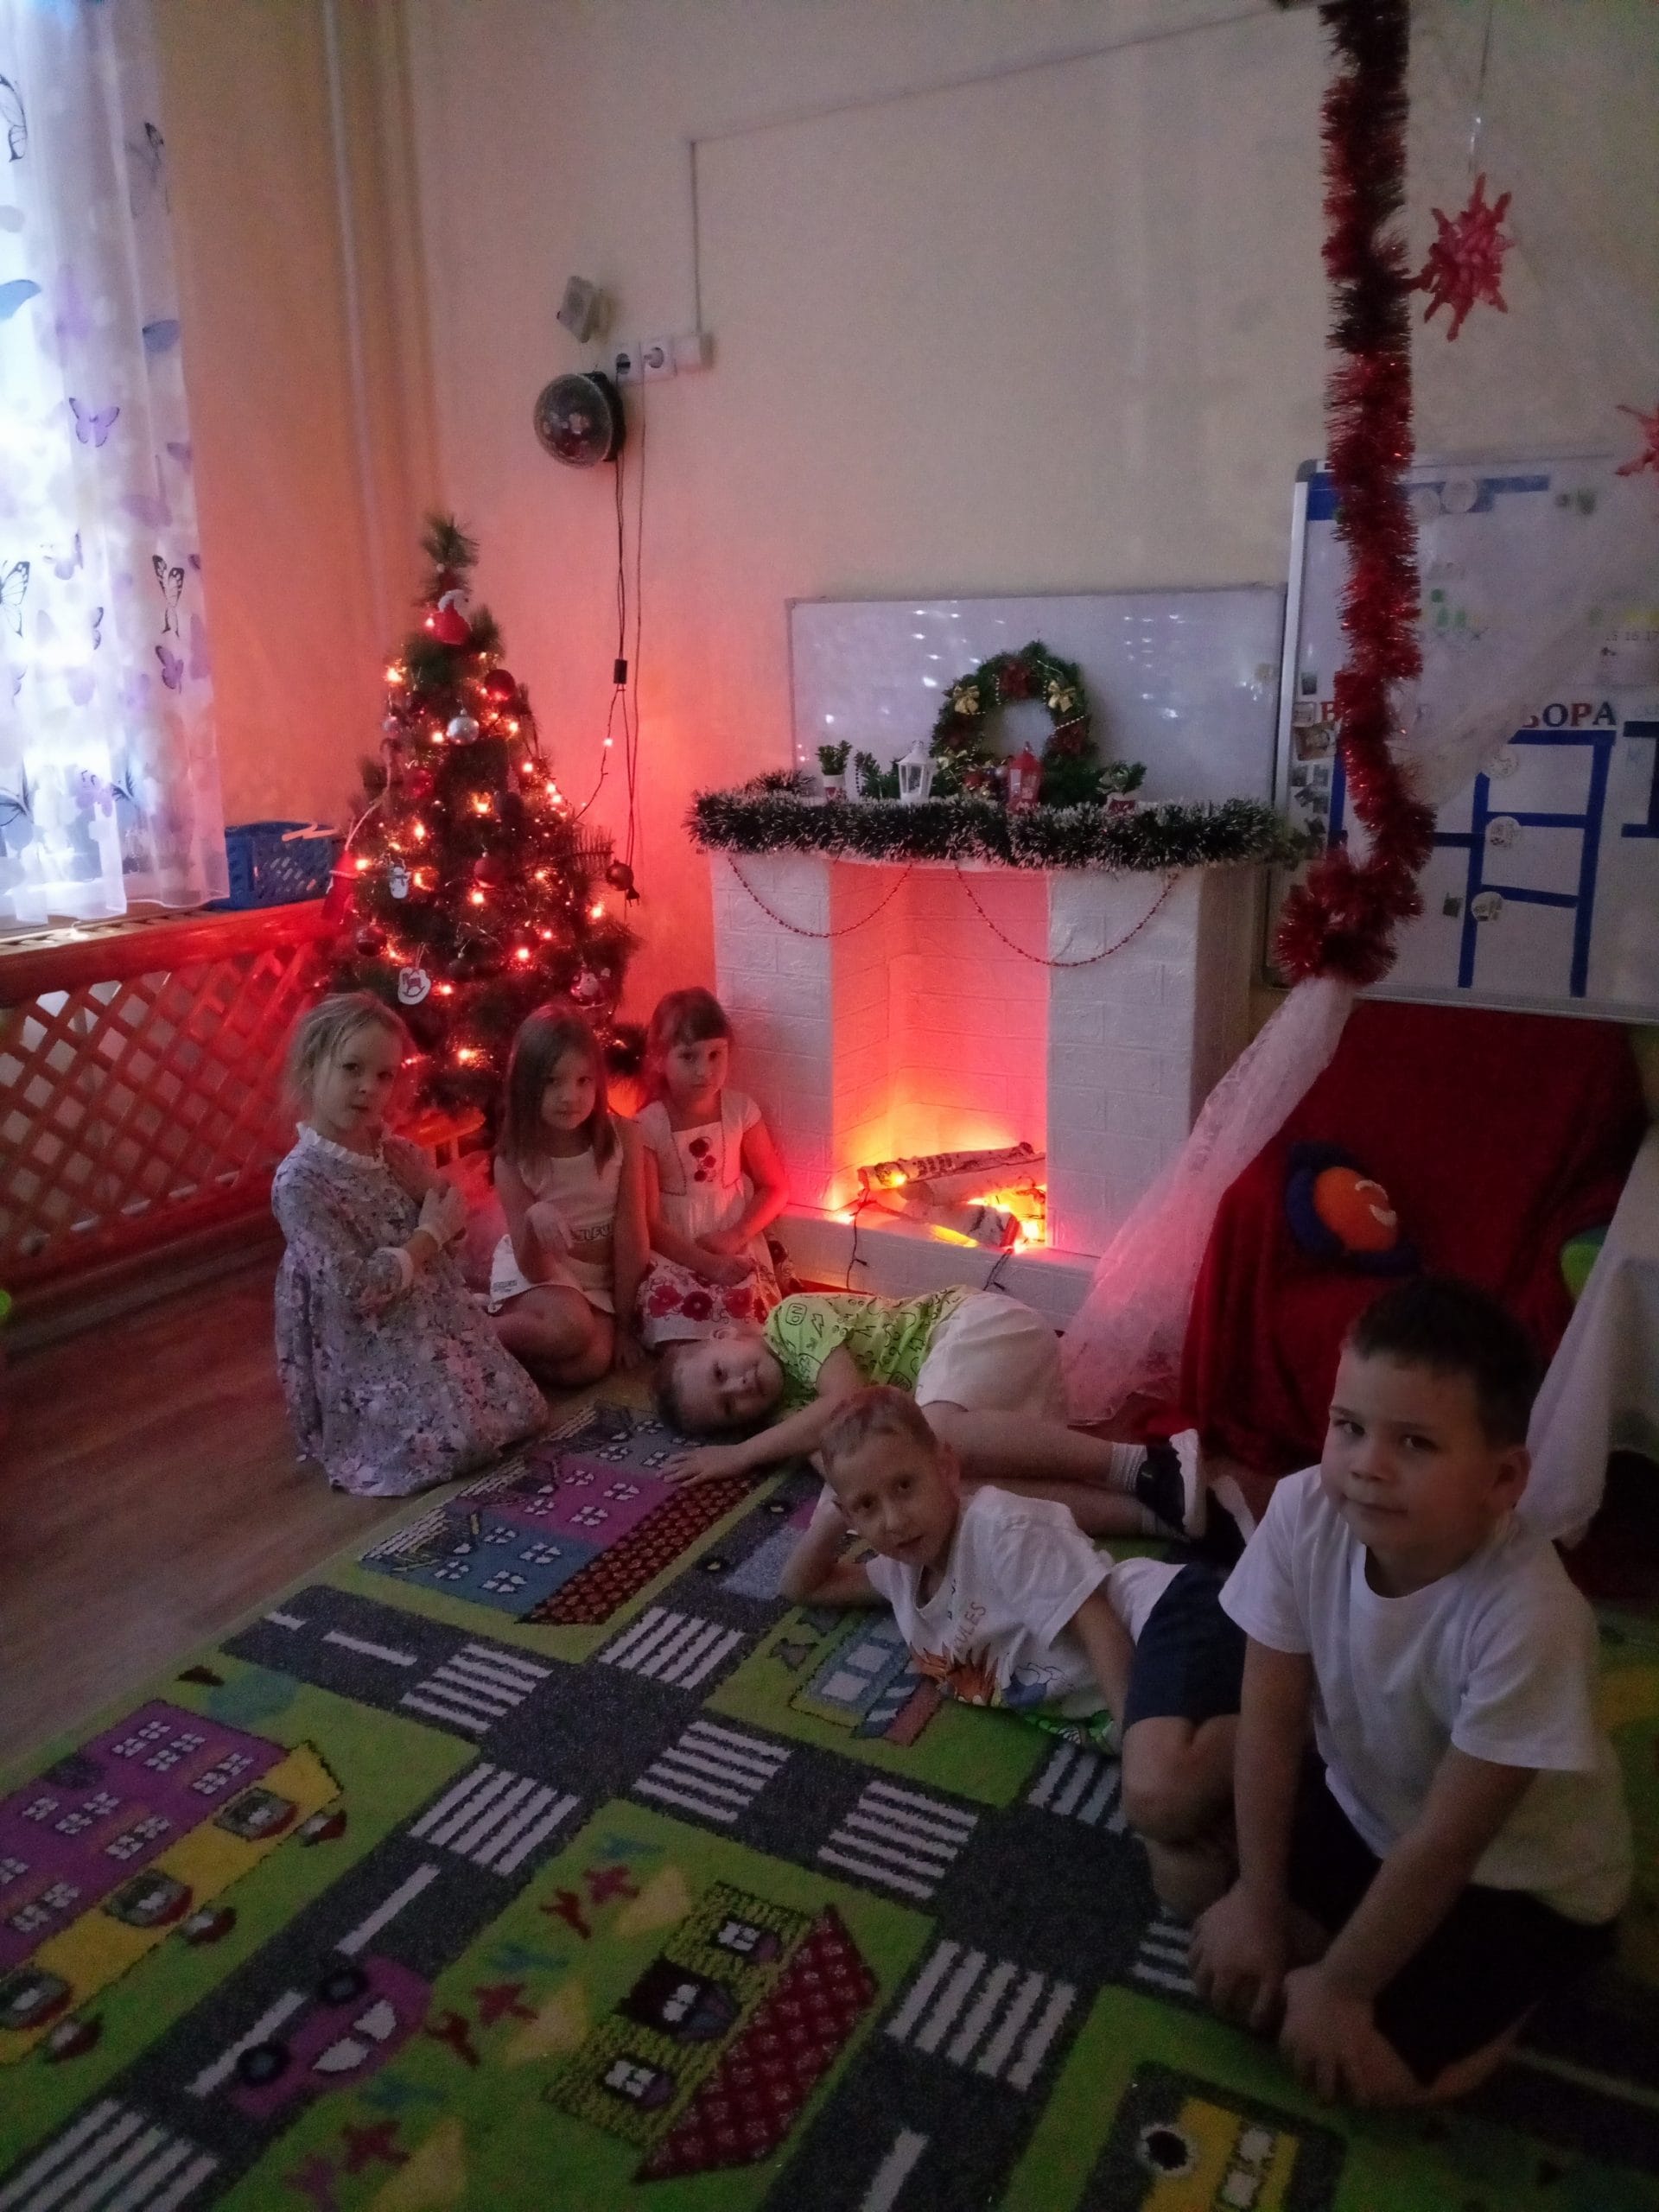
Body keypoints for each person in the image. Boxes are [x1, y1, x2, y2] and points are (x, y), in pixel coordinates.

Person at [1191, 1276, 1632, 2107]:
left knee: (1368, 2075)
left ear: (1503, 1480)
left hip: (1517, 1878)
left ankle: (1535, 1986)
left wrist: (1343, 1987)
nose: (1367, 1466)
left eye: (1416, 1444)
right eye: (1349, 1427)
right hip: (1372, 1809)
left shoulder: (1531, 1619)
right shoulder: (1302, 1511)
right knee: (1228, 1941)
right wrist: (1256, 1896)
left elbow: (1448, 1844)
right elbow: (1272, 1721)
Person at [658, 1284, 1204, 1541]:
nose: (740, 1387)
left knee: (934, 1436)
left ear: (724, 1334)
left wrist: (741, 1455)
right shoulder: (789, 1421)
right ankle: (1156, 1517)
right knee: (944, 1487)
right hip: (987, 1400)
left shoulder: (789, 1319)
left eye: (720, 1372)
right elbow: (854, 1472)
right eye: (729, 1408)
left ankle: (1145, 1465)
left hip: (978, 1328)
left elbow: (847, 1402)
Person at [778, 1385, 1164, 1745]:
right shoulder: (900, 1573)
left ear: (946, 1468)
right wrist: (832, 1520)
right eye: (867, 1505)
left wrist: (1140, 1749)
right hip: (1134, 1687)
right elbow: (803, 1586)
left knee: (1156, 1789)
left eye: (905, 1486)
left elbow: (1097, 1620)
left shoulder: (1001, 1531)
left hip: (1153, 1627)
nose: (894, 1521)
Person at [272, 993, 545, 1497]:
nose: (368, 1088)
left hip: (427, 1314)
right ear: (311, 1067)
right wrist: (428, 1236)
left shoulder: (395, 1151)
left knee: (520, 1411)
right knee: (457, 1442)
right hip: (368, 1333)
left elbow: (449, 1236)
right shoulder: (299, 1183)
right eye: (352, 1068)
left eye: (384, 1076)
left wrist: (431, 1199)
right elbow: (354, 1290)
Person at [488, 1006, 648, 1386]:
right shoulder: (513, 1161)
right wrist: (534, 1217)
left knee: (590, 1365)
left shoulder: (624, 1138)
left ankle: (507, 1351)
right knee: (571, 1328)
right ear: (525, 1085)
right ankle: (471, 1332)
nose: (569, 1097)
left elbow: (632, 1237)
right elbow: (533, 1267)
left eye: (583, 1081)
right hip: (541, 1272)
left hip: (597, 1281)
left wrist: (624, 1324)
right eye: (552, 1082)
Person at [632, 988, 790, 1347]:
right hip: (675, 1246)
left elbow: (774, 1187)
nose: (704, 1071)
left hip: (732, 1234)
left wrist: (735, 1236)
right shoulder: (648, 1126)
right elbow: (649, 1222)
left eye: (715, 1054)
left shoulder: (741, 1110)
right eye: (688, 1057)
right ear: (659, 1059)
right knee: (675, 1316)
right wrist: (706, 1263)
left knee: (749, 1315)